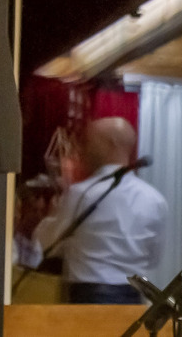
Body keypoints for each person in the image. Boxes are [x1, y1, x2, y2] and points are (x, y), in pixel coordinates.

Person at [33, 116, 168, 304]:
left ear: (111, 144)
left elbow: (49, 245)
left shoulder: (81, 194)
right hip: (132, 298)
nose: (83, 149)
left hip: (87, 297)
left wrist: (51, 213)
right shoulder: (154, 199)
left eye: (88, 141)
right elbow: (153, 259)